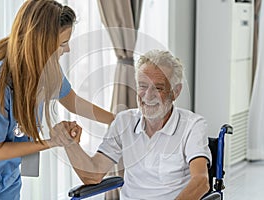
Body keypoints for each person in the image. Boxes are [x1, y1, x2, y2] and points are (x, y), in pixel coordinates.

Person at [0, 0, 114, 199]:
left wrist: (121, 120)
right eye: (63, 43)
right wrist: (53, 141)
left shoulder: (45, 65)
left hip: (7, 175)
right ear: (40, 42)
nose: (67, 50)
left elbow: (73, 102)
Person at [62, 50, 212, 200]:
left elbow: (201, 182)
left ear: (175, 92)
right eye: (142, 86)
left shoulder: (193, 125)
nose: (148, 95)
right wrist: (69, 143)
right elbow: (93, 176)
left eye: (158, 88)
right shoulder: (123, 121)